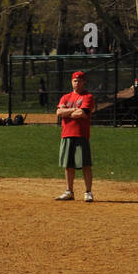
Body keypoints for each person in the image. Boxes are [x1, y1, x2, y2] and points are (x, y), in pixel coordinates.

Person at [55, 70, 94, 202]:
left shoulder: (88, 96)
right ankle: (69, 191)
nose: (77, 83)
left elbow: (82, 114)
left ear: (84, 82)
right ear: (72, 82)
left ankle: (88, 192)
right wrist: (72, 110)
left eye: (80, 80)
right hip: (67, 134)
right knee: (68, 164)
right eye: (75, 80)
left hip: (81, 134)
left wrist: (67, 112)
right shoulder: (65, 97)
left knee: (85, 164)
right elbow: (59, 112)